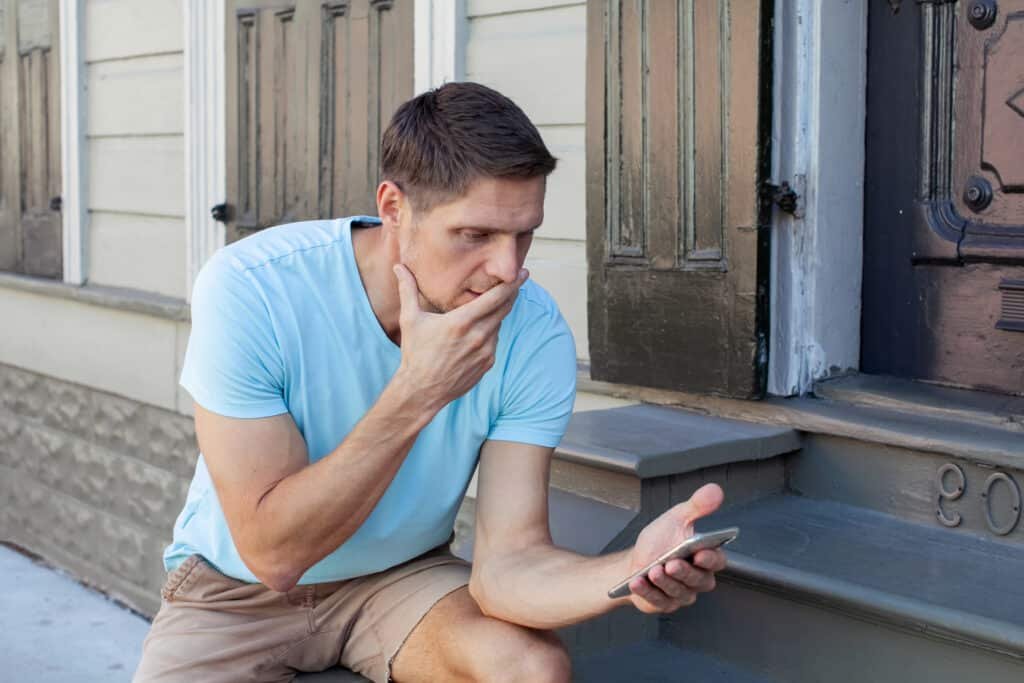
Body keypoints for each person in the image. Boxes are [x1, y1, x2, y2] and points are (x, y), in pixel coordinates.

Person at [134, 82, 727, 683]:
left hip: (401, 577)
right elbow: (275, 555)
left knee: (532, 668)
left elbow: (509, 566)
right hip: (235, 593)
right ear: (394, 208)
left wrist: (631, 572)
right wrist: (418, 391)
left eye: (524, 233)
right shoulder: (254, 288)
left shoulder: (533, 329)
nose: (506, 269)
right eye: (476, 235)